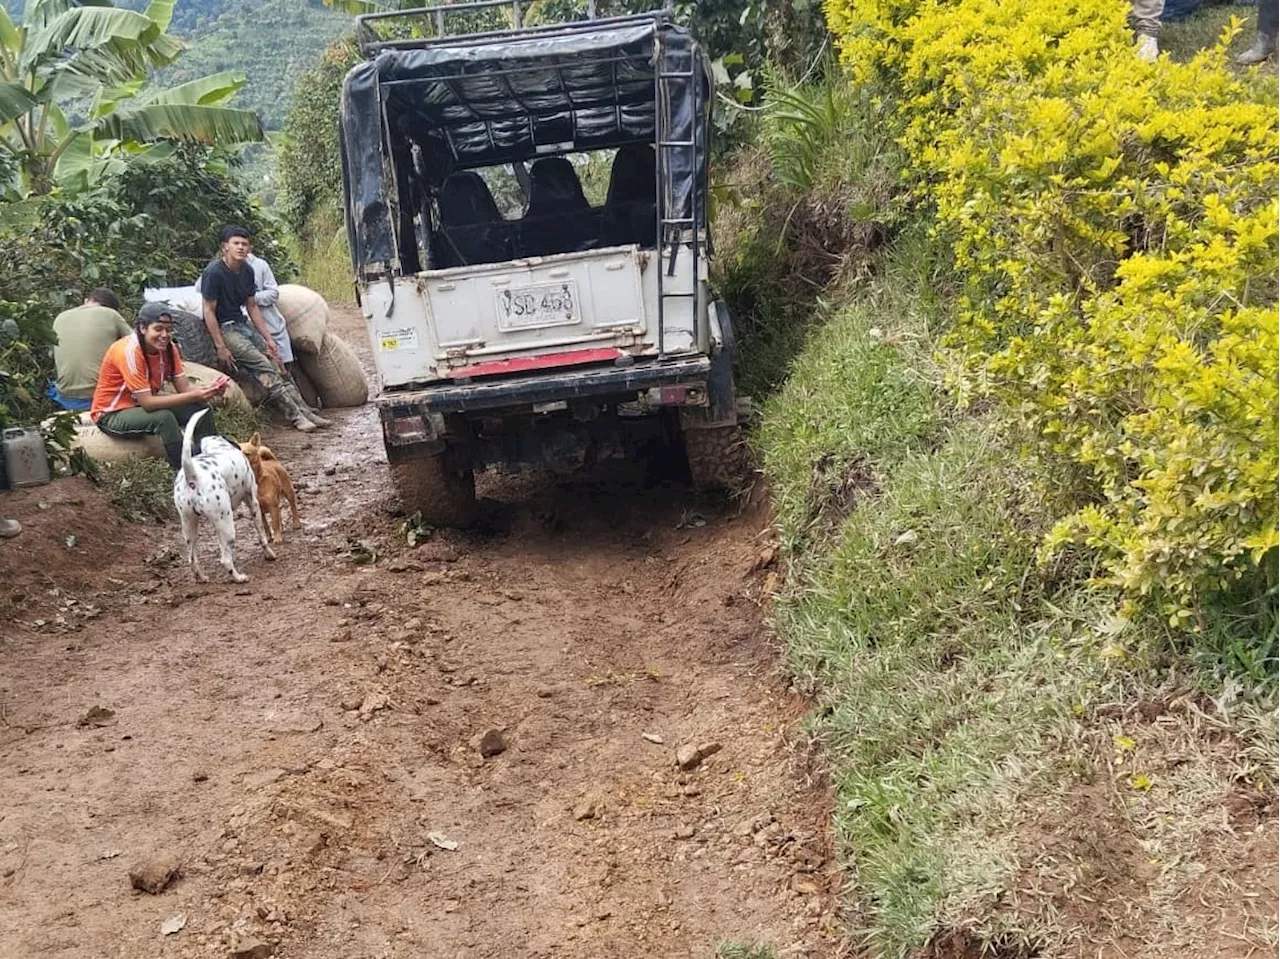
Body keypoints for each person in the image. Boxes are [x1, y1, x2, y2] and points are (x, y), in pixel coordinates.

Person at [200, 225, 329, 433]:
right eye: (236, 243)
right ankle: (296, 417)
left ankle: (306, 411)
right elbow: (208, 311)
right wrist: (220, 346)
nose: (241, 248)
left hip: (243, 324)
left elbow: (252, 307)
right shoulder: (214, 273)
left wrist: (269, 340)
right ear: (225, 247)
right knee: (263, 367)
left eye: (244, 244)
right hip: (226, 329)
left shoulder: (248, 271)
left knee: (278, 364)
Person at [92, 303, 224, 471]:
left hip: (138, 406)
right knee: (164, 418)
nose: (164, 335)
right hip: (113, 413)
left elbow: (185, 389)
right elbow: (148, 403)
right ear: (142, 328)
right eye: (158, 329)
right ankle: (183, 469)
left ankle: (211, 457)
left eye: (168, 330)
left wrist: (208, 390)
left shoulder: (169, 349)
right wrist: (194, 395)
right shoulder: (129, 352)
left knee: (200, 410)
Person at [50, 288, 131, 411]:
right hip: (99, 395)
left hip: (65, 395)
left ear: (86, 301)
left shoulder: (60, 317)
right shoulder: (110, 314)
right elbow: (138, 345)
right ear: (111, 308)